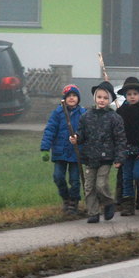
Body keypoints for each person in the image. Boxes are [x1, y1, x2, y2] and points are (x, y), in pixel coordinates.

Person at [69, 81, 126, 223]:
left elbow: (120, 139)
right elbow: (81, 135)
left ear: (110, 100)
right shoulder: (86, 116)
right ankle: (93, 212)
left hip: (106, 157)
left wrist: (119, 158)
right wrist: (76, 138)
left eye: (105, 98)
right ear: (95, 98)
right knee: (89, 187)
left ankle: (108, 202)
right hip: (90, 157)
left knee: (100, 185)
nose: (102, 100)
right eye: (99, 97)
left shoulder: (115, 118)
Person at [40, 84, 86, 215]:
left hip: (76, 153)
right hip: (60, 152)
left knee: (74, 180)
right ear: (64, 98)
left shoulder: (83, 114)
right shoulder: (58, 113)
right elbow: (50, 130)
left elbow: (87, 132)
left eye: (74, 95)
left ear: (78, 98)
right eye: (68, 96)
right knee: (58, 177)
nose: (71, 98)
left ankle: (74, 202)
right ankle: (66, 198)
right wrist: (45, 148)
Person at [116, 77, 139, 216]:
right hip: (126, 150)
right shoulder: (121, 112)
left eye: (135, 94)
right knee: (126, 177)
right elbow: (118, 133)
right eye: (129, 94)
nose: (132, 97)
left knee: (138, 174)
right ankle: (128, 204)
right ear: (125, 96)